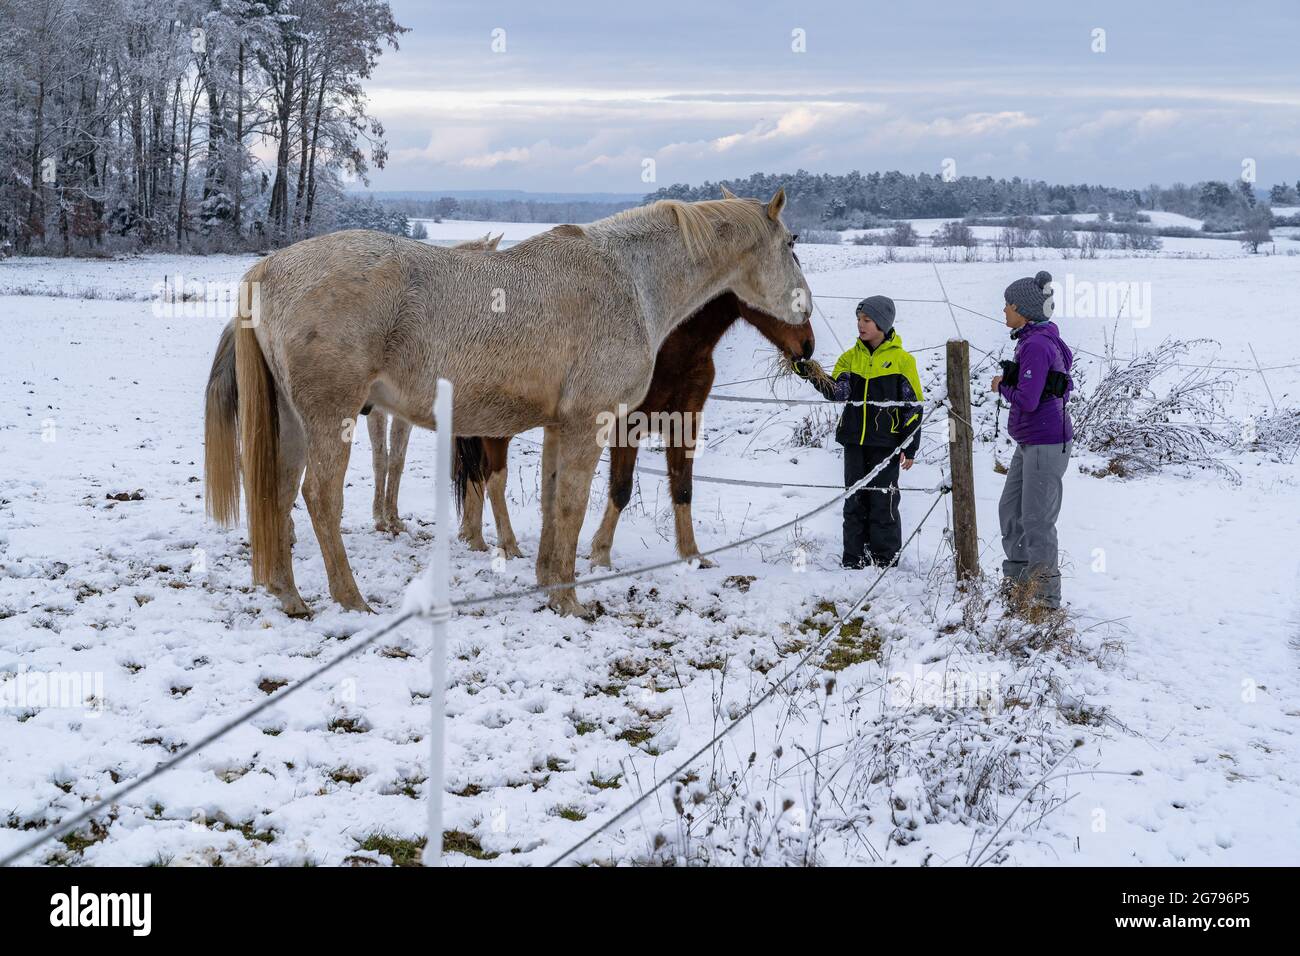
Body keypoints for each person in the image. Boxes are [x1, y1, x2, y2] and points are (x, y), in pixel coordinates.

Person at [795, 295, 924, 569]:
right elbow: (839, 393)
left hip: (886, 445)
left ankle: (884, 560)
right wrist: (812, 374)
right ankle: (853, 559)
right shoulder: (849, 358)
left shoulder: (902, 362)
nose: (860, 325)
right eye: (858, 320)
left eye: (867, 320)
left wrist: (909, 446)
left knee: (883, 500)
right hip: (854, 441)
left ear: (883, 323)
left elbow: (913, 407)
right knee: (853, 501)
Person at [991, 270, 1074, 610]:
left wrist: (1001, 384)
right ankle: (1018, 584)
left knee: (1037, 521)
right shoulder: (1032, 340)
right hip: (1029, 442)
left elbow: (1027, 399)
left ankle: (1042, 600)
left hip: (1046, 443)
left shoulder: (1037, 345)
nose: (1004, 311)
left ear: (1023, 309)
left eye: (1008, 305)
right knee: (1010, 511)